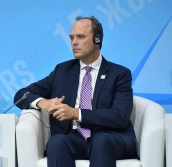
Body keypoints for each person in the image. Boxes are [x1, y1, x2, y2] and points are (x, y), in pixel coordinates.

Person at [14, 16, 139, 167]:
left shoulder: (119, 74)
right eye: (72, 37)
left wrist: (76, 113)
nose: (74, 42)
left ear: (97, 39)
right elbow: (21, 95)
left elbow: (119, 116)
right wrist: (44, 103)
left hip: (111, 137)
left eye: (80, 37)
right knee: (56, 142)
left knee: (100, 142)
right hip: (76, 138)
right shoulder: (62, 71)